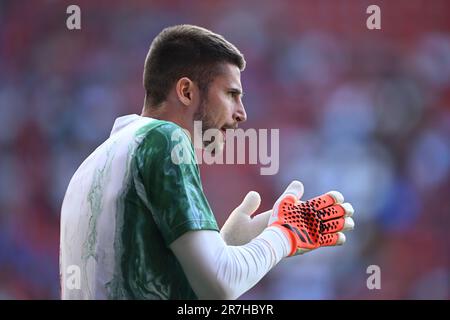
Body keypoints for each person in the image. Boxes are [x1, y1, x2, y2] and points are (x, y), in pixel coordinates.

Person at [60, 24, 355, 300]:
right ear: (187, 91)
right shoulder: (164, 138)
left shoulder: (94, 163)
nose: (242, 113)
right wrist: (285, 235)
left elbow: (150, 285)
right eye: (231, 94)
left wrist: (228, 244)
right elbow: (221, 285)